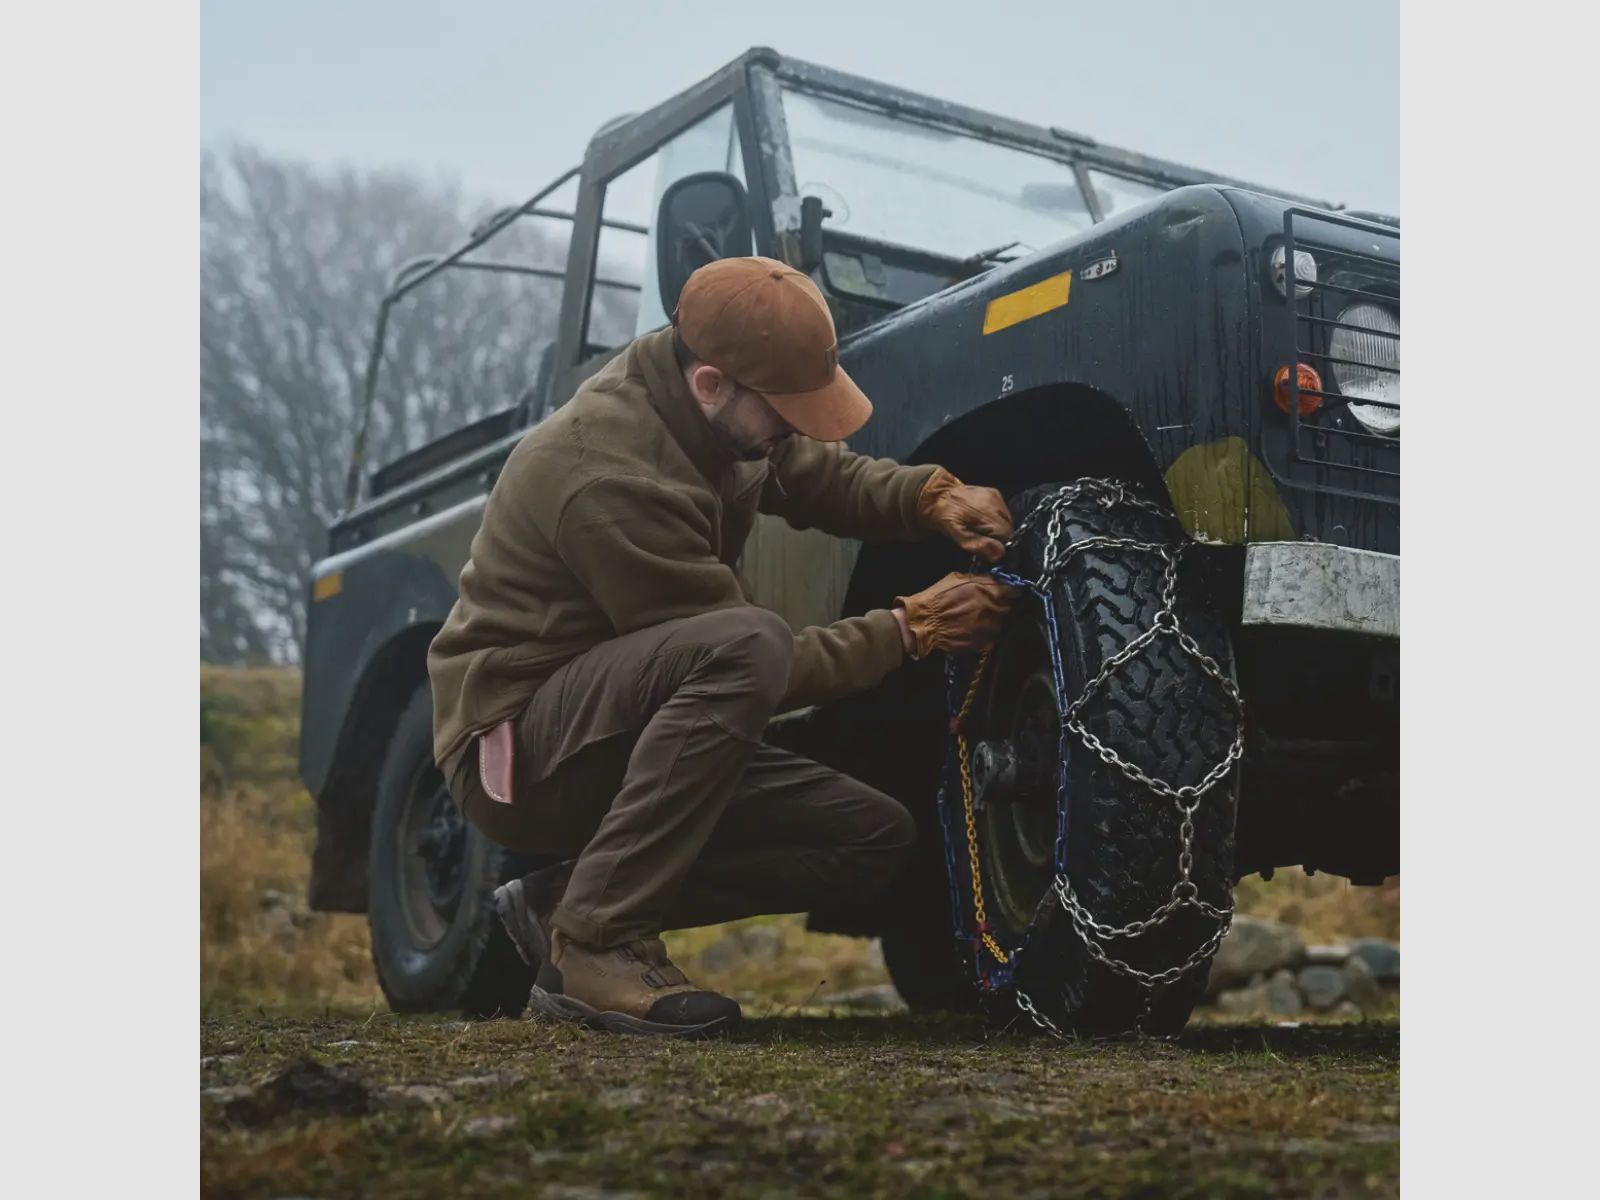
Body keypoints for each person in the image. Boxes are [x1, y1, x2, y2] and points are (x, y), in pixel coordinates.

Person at [428, 256, 1017, 1037]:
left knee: (869, 838)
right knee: (746, 639)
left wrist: (929, 496)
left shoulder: (721, 416)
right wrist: (913, 629)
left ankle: (568, 902)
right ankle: (596, 943)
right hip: (526, 746)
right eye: (784, 411)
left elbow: (815, 475)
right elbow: (756, 667)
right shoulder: (606, 477)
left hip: (631, 719)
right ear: (711, 384)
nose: (795, 428)